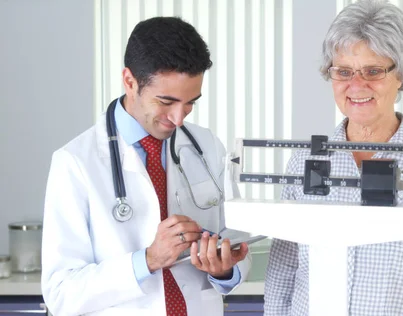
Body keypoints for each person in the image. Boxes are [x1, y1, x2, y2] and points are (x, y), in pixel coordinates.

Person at [264, 0, 403, 315]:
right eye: (343, 71)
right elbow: (282, 277)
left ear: (400, 74)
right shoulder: (304, 161)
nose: (356, 85)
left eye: (373, 71)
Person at [41, 17, 251, 316]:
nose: (179, 118)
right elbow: (61, 292)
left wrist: (224, 269)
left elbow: (238, 241)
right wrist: (148, 260)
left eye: (190, 102)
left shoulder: (206, 146)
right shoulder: (75, 163)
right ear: (130, 81)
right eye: (166, 101)